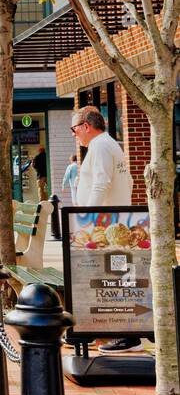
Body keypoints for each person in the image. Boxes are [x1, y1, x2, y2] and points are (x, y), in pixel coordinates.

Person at [71, 107, 139, 354]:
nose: (74, 134)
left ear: (86, 126)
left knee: (116, 278)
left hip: (108, 225)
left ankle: (126, 335)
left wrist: (87, 218)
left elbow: (101, 182)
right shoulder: (107, 144)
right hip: (112, 224)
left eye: (74, 128)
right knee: (112, 277)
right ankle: (105, 330)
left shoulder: (100, 146)